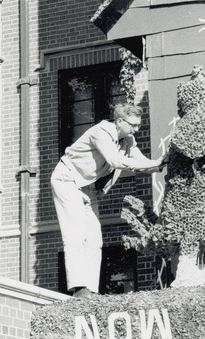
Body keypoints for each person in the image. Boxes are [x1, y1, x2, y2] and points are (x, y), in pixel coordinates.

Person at [50, 104, 167, 298]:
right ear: (120, 121)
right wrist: (154, 164)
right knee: (76, 234)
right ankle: (79, 289)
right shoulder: (101, 132)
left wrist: (158, 164)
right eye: (133, 125)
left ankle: (91, 290)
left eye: (139, 125)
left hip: (86, 187)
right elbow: (115, 161)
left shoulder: (127, 138)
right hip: (67, 180)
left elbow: (139, 160)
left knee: (95, 239)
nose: (136, 130)